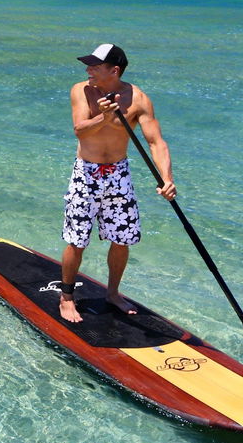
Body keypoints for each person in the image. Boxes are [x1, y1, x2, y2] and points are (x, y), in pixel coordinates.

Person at [59, 43, 176, 323]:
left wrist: (167, 178)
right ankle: (66, 298)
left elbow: (156, 141)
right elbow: (79, 131)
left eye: (95, 67)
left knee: (122, 239)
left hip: (118, 174)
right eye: (88, 66)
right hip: (86, 173)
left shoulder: (138, 99)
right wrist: (105, 117)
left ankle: (113, 293)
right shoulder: (81, 91)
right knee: (77, 239)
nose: (88, 71)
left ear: (114, 70)